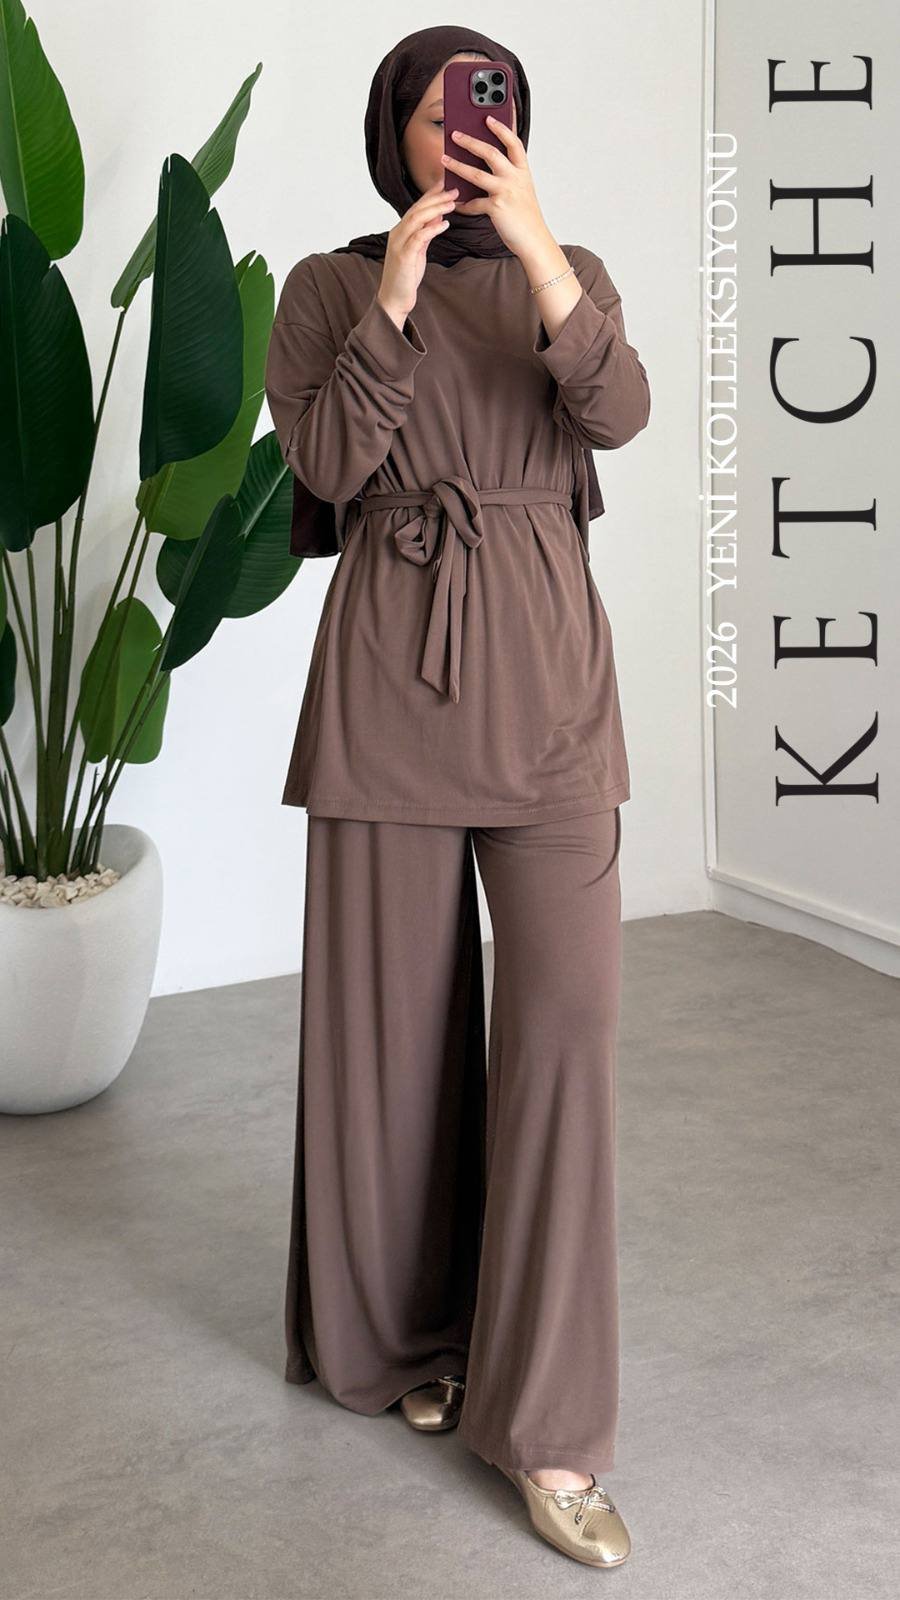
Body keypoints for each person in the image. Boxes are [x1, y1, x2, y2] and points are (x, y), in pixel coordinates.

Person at [264, 24, 650, 1569]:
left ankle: (552, 1432)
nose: (457, 137)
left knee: (566, 1040)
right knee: (391, 1049)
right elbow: (325, 462)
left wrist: (542, 255)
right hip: (390, 690)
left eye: (483, 113)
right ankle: (408, 1341)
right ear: (393, 137)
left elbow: (618, 414)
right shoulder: (329, 286)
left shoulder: (577, 271)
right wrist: (400, 300)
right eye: (431, 117)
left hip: (549, 698)